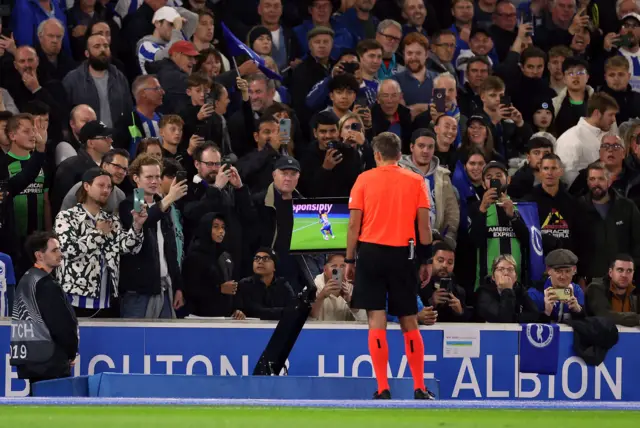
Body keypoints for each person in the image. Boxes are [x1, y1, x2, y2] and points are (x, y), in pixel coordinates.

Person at [345, 132, 434, 400]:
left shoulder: (363, 179)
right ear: (400, 154)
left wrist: (350, 259)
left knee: (376, 319)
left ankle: (383, 387)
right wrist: (426, 259)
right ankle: (419, 387)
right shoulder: (416, 180)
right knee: (409, 320)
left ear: (377, 155)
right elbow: (424, 226)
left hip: (371, 252)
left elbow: (353, 225)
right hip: (403, 254)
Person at [54, 168, 148, 318]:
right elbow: (67, 250)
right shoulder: (67, 217)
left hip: (107, 300)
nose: (106, 190)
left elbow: (130, 248)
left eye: (109, 187)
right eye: (101, 185)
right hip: (75, 298)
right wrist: (98, 233)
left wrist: (137, 225)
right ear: (86, 186)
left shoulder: (111, 219)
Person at [119, 155, 188, 319]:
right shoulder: (130, 204)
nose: (154, 181)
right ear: (136, 178)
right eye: (149, 177)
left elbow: (171, 249)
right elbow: (145, 221)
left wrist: (178, 286)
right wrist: (169, 198)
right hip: (138, 292)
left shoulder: (164, 205)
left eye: (157, 176)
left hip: (165, 288)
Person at [9, 231, 78, 395]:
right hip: (49, 359)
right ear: (39, 255)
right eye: (54, 250)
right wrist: (70, 352)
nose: (60, 254)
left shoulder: (27, 279)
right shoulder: (46, 284)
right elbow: (61, 324)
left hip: (31, 357)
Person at [469, 160, 529, 289]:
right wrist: (482, 210)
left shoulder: (521, 206)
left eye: (498, 176)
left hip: (517, 283)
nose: (494, 179)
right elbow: (473, 241)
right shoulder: (475, 207)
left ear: (508, 179)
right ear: (483, 183)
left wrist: (513, 216)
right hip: (485, 284)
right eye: (489, 177)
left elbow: (528, 240)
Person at [398, 128, 459, 249]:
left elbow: (452, 212)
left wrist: (446, 239)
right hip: (404, 241)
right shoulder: (399, 172)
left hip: (435, 242)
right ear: (411, 147)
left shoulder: (443, 175)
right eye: (421, 146)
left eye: (430, 147)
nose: (425, 151)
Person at [182, 212, 246, 319]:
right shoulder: (194, 257)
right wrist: (218, 289)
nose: (221, 231)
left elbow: (234, 285)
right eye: (216, 227)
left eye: (223, 227)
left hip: (225, 319)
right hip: (199, 319)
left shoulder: (225, 256)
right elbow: (190, 290)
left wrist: (238, 308)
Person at [556, 92, 619, 186]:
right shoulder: (571, 139)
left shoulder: (610, 137)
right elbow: (568, 181)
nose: (614, 119)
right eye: (610, 115)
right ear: (597, 113)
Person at [475, 254, 540, 323]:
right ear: (493, 277)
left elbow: (534, 315)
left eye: (510, 269)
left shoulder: (519, 289)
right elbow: (503, 321)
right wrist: (507, 290)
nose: (506, 273)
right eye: (501, 269)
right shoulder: (484, 292)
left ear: (516, 277)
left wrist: (514, 317)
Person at [528, 249, 586, 323]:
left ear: (574, 270)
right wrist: (546, 313)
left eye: (567, 271)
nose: (563, 277)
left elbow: (586, 328)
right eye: (558, 271)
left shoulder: (577, 291)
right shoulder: (534, 294)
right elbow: (528, 330)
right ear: (548, 270)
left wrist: (578, 311)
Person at [236, 247, 295, 320]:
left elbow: (293, 310)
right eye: (257, 258)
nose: (260, 262)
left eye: (266, 258)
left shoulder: (283, 284)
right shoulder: (245, 284)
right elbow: (253, 311)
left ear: (274, 267)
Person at [418, 242, 470, 322]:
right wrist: (431, 302)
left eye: (450, 262)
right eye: (440, 260)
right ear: (430, 261)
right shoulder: (418, 286)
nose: (445, 265)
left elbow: (468, 324)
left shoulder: (458, 291)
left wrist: (460, 312)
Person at [309, 253, 367, 321]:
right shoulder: (314, 287)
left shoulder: (353, 288)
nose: (338, 270)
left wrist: (349, 301)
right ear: (325, 270)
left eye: (342, 266)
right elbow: (307, 321)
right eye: (334, 266)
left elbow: (364, 321)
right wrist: (320, 297)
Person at [587, 254, 640, 326]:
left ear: (633, 274)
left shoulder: (634, 293)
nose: (624, 275)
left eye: (629, 271)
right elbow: (604, 315)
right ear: (610, 272)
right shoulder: (596, 288)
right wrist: (637, 318)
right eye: (620, 270)